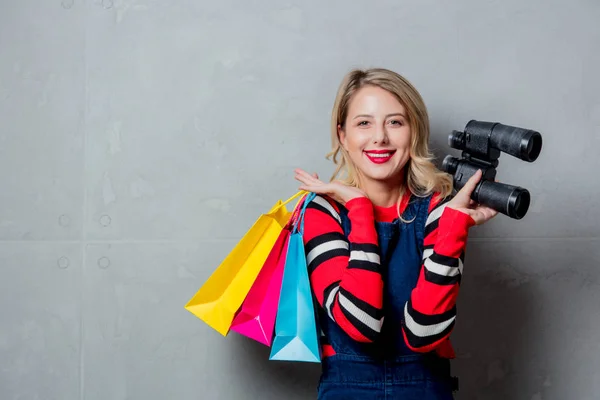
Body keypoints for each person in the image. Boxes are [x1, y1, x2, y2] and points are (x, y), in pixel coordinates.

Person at [294, 68, 498, 399]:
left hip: (426, 387)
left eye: (395, 122)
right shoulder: (324, 211)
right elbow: (360, 324)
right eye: (364, 123)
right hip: (347, 388)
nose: (380, 138)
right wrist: (359, 208)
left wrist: (454, 225)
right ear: (342, 135)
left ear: (414, 132)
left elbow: (424, 333)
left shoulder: (437, 210)